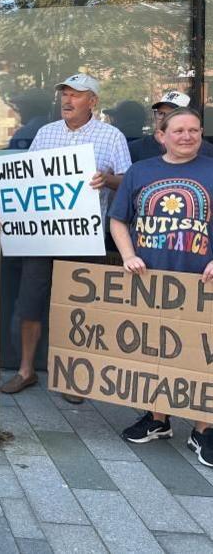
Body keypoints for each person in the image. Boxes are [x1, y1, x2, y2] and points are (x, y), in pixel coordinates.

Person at [0, 73, 131, 401]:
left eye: (76, 95)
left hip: (85, 238)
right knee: (29, 303)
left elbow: (129, 183)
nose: (67, 101)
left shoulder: (111, 136)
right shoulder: (45, 133)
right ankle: (26, 370)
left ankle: (74, 378)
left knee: (79, 309)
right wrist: (13, 212)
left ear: (93, 101)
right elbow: (29, 183)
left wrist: (108, 179)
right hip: (43, 237)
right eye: (65, 95)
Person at [108, 107, 212, 468]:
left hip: (201, 282)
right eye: (179, 130)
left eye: (194, 130)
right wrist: (127, 255)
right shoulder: (141, 171)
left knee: (201, 354)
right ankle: (158, 418)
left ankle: (204, 428)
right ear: (161, 135)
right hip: (150, 279)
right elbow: (118, 219)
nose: (188, 136)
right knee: (153, 350)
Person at [128, 91, 213, 163]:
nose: (165, 118)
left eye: (172, 114)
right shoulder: (134, 149)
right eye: (161, 113)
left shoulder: (207, 151)